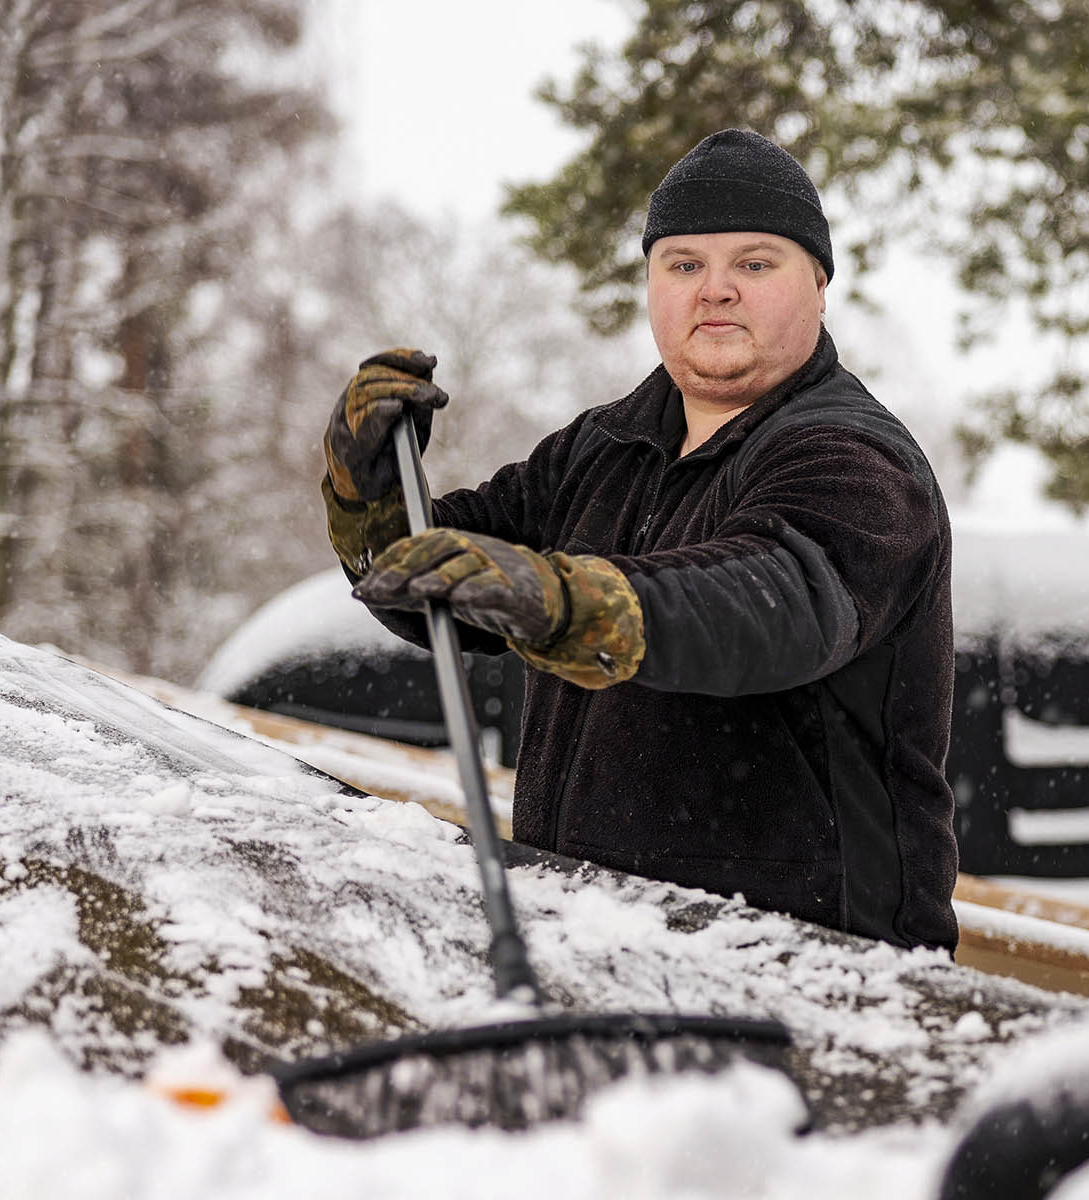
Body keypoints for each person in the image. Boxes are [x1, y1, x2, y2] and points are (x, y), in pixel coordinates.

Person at [319, 130, 959, 951]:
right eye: (684, 264)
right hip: (594, 936)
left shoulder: (856, 460)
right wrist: (369, 493)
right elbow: (440, 588)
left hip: (810, 966)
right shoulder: (606, 447)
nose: (716, 290)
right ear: (653, 285)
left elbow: (768, 606)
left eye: (755, 264)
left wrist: (571, 602)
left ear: (821, 285)